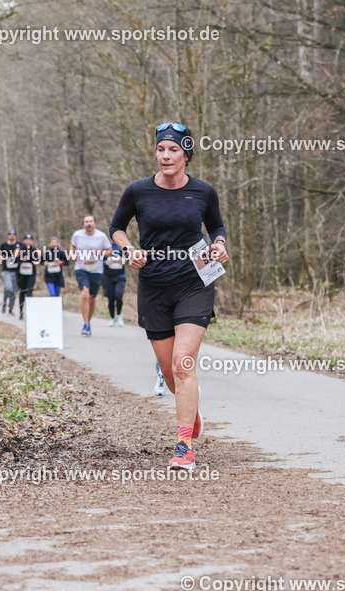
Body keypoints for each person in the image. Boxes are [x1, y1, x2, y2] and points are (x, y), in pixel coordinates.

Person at [109, 121, 229, 470]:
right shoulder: (138, 190)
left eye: (173, 149)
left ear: (186, 155)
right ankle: (192, 407)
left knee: (183, 363)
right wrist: (129, 249)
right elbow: (116, 227)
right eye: (160, 149)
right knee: (170, 373)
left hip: (194, 282)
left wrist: (220, 243)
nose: (165, 155)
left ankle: (184, 447)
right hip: (154, 286)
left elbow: (216, 226)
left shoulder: (203, 191)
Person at [70, 215, 112, 336]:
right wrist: (72, 254)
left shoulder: (101, 236)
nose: (89, 223)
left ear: (94, 223)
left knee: (92, 298)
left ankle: (88, 322)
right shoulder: (77, 235)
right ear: (83, 224)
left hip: (96, 271)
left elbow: (109, 251)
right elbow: (72, 246)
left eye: (91, 221)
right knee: (85, 295)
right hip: (81, 268)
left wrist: (100, 253)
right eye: (86, 221)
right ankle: (86, 324)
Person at [16, 234, 40, 319]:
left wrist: (35, 261)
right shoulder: (19, 249)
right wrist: (22, 260)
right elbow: (15, 260)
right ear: (24, 241)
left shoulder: (35, 250)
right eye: (27, 240)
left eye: (30, 240)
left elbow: (38, 261)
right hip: (21, 275)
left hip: (31, 274)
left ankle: (30, 312)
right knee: (22, 292)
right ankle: (21, 311)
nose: (28, 241)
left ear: (32, 241)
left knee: (29, 292)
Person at [0, 228, 21, 315]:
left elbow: (23, 256)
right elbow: (0, 257)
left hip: (16, 272)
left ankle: (10, 308)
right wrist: (2, 258)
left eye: (13, 234)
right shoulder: (4, 245)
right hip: (6, 271)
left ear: (15, 235)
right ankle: (4, 304)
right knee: (8, 288)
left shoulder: (19, 245)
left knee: (14, 291)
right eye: (10, 234)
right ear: (8, 235)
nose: (11, 235)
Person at [103, 247, 127, 326]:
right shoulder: (105, 246)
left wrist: (125, 260)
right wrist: (105, 262)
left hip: (120, 277)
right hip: (108, 277)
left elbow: (129, 258)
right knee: (111, 298)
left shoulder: (122, 246)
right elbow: (99, 260)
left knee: (118, 295)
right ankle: (112, 318)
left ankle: (119, 315)